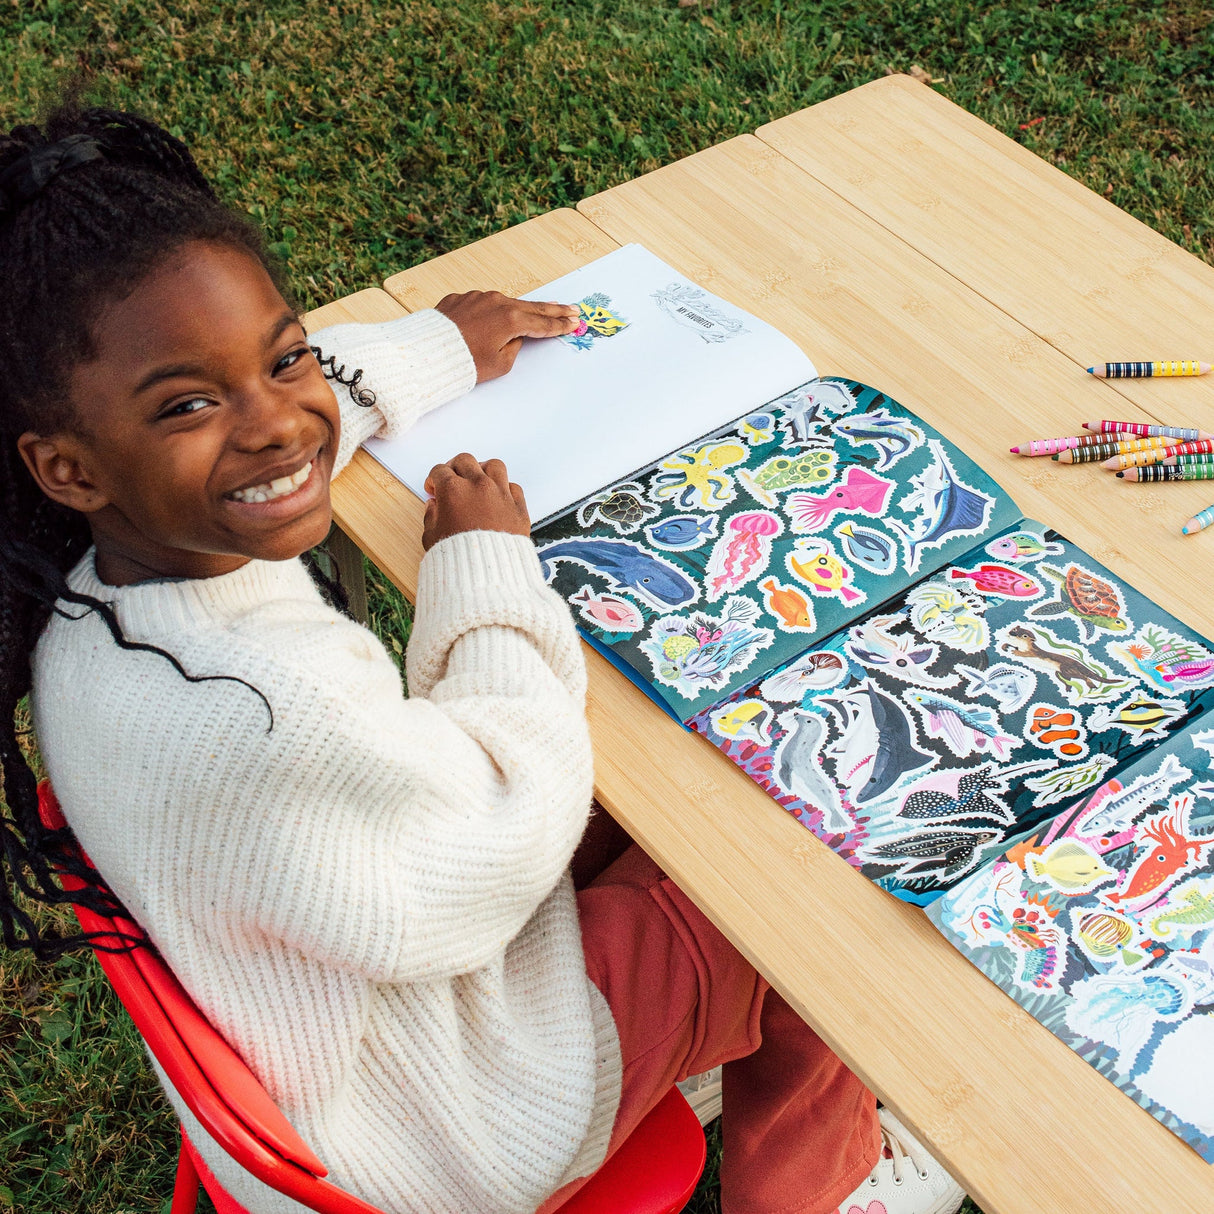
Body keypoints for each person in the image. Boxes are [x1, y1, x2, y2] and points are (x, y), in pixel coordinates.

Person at [0, 100, 965, 1214]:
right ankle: (832, 1184)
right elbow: (501, 833)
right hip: (460, 1125)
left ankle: (706, 1048)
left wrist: (434, 349)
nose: (277, 424)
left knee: (677, 808)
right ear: (69, 465)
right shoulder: (267, 706)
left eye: (287, 356)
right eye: (190, 404)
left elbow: (274, 401)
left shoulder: (99, 588)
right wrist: (483, 568)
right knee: (801, 862)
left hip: (349, 1039)